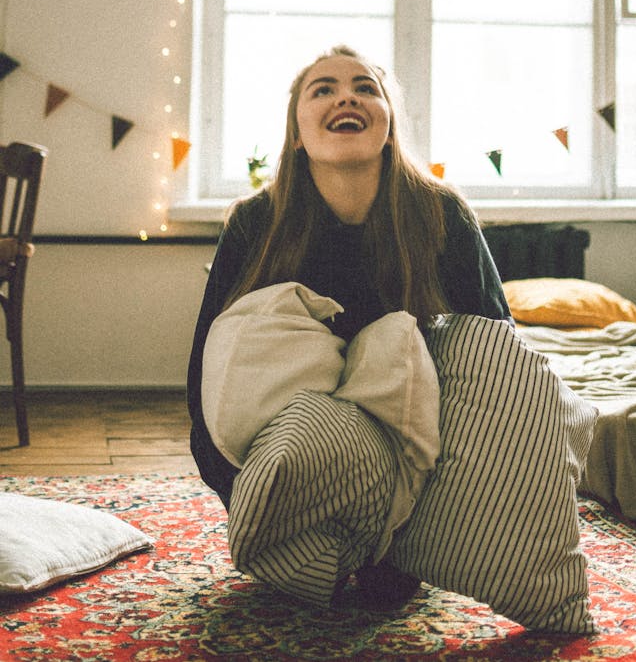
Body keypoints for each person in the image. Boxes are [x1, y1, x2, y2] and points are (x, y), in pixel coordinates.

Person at [187, 44, 513, 605]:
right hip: (293, 455)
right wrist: (249, 497)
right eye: (324, 89)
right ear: (296, 132)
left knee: (391, 587)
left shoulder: (441, 212)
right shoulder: (254, 222)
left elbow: (495, 354)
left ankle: (395, 542)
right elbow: (210, 376)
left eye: (366, 88)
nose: (347, 96)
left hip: (420, 447)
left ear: (388, 125)